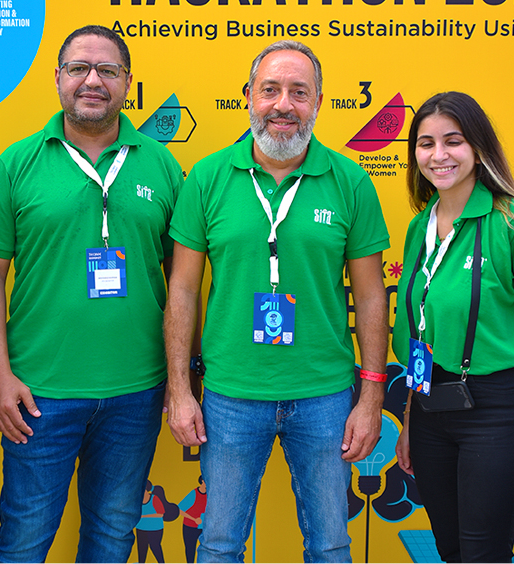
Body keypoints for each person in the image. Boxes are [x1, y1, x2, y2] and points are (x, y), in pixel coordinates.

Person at [164, 40, 390, 563]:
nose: (283, 105)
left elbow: (371, 294)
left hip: (324, 396)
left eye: (298, 92)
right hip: (231, 396)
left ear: (319, 103)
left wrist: (371, 398)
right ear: (248, 96)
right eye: (270, 90)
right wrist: (179, 388)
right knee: (219, 545)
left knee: (330, 545)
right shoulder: (208, 178)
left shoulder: (350, 181)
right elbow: (183, 289)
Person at [0, 25, 184, 562]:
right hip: (39, 393)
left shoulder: (161, 164)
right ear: (58, 78)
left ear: (128, 83)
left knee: (111, 538)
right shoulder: (18, 162)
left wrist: (184, 375)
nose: (92, 81)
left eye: (107, 70)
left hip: (137, 391)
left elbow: (182, 278)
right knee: (22, 542)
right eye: (79, 68)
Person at [393, 91, 514, 563]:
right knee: (450, 550)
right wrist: (409, 422)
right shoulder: (420, 227)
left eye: (453, 141)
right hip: (430, 408)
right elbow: (421, 335)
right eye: (426, 143)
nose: (439, 155)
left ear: (478, 147)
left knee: (483, 554)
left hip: (495, 411)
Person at [178, 476, 207, 563]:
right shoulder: (194, 494)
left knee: (206, 550)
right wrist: (194, 519)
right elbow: (179, 509)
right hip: (190, 527)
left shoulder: (210, 494)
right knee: (190, 550)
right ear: (202, 481)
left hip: (204, 527)